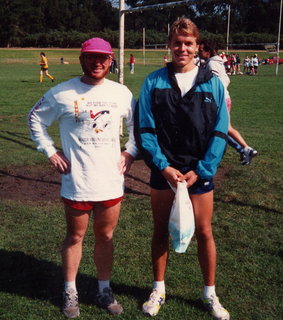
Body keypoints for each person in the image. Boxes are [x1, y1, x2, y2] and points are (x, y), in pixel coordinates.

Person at [28, 37, 138, 318]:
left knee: (106, 235)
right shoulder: (61, 93)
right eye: (91, 57)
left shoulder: (121, 93)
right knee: (75, 236)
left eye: (103, 57)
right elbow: (35, 119)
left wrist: (130, 152)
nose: (97, 62)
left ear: (111, 61)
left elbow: (136, 126)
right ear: (81, 59)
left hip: (111, 180)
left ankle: (103, 289)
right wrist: (50, 151)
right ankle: (70, 291)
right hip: (77, 181)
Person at [135, 17, 230, 320]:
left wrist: (203, 169)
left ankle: (210, 294)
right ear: (169, 45)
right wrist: (162, 167)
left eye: (188, 43)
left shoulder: (212, 82)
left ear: (197, 46)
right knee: (161, 229)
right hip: (165, 170)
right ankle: (158, 289)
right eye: (177, 42)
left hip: (197, 171)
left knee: (204, 231)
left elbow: (220, 130)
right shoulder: (153, 81)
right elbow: (145, 128)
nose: (183, 48)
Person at [198, 39, 258, 165]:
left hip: (219, 100)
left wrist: (212, 95)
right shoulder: (216, 62)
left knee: (224, 128)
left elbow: (216, 83)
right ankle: (242, 150)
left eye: (201, 50)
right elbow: (227, 80)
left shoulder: (212, 65)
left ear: (208, 52)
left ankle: (246, 149)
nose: (198, 52)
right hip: (224, 98)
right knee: (219, 129)